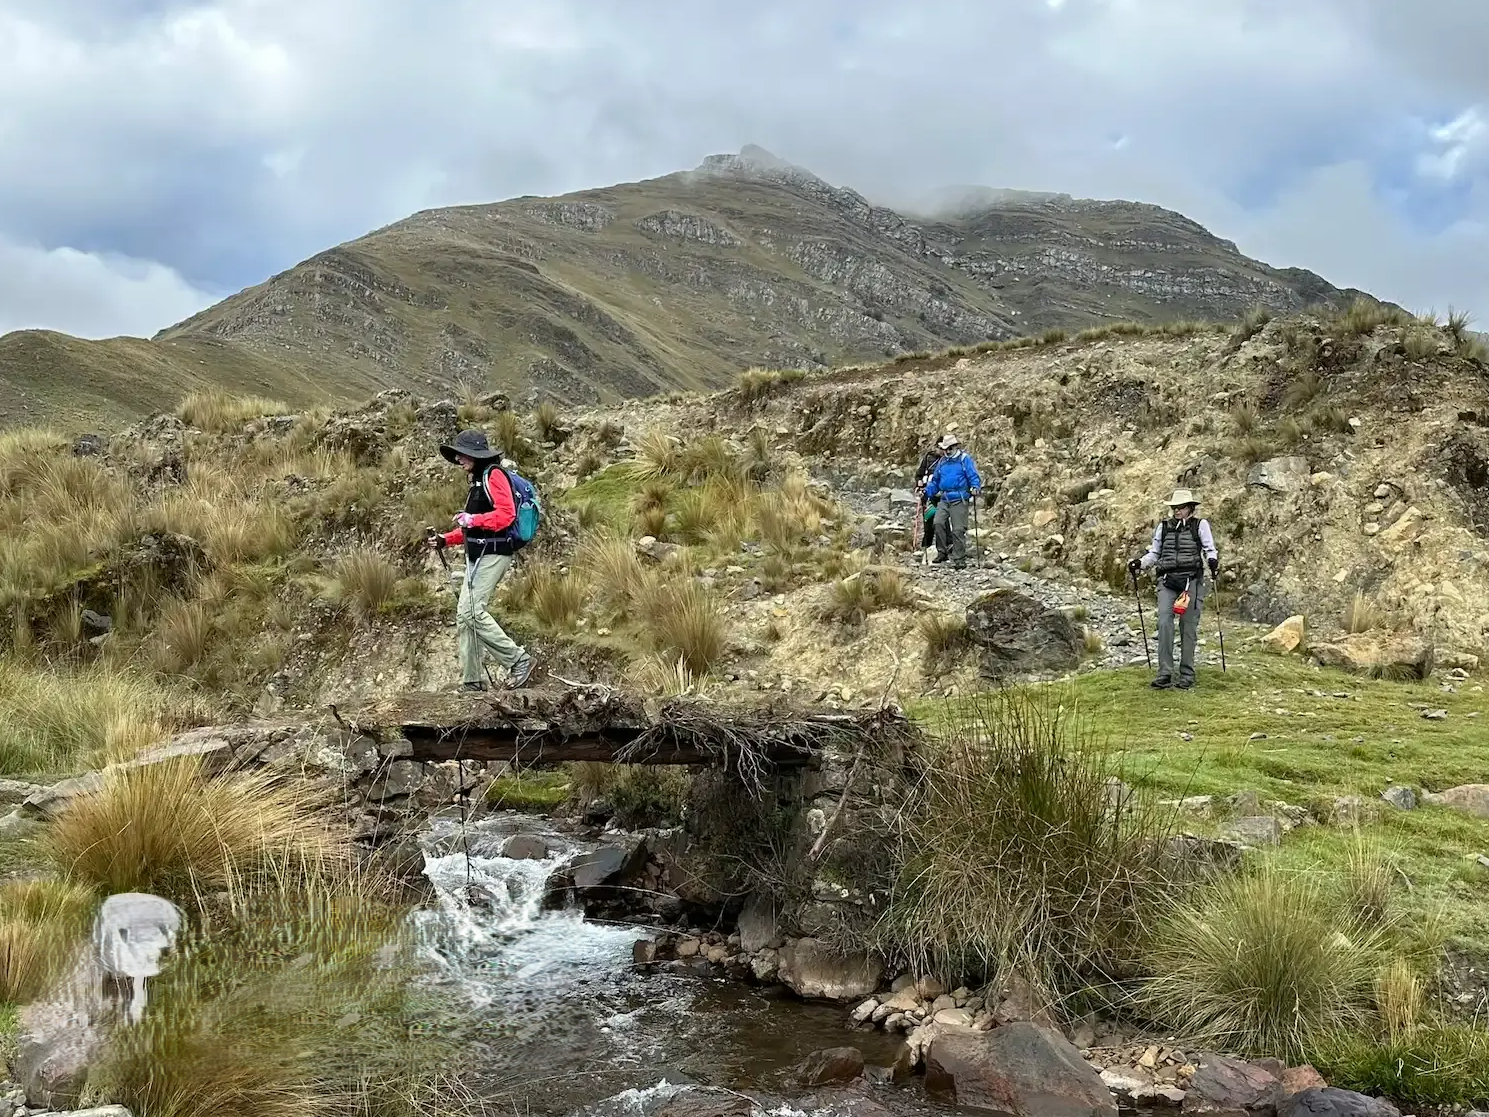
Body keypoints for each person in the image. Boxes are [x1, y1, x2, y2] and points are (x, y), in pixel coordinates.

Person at [431, 429, 535, 692]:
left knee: (471, 612)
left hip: (493, 554)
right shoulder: (478, 481)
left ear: (475, 455)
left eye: (462, 455)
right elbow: (472, 529)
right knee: (464, 616)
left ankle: (518, 660)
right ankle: (472, 680)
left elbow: (507, 515)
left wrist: (472, 519)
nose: (458, 459)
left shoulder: (494, 475)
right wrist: (446, 539)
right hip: (479, 554)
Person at [1128, 488, 1219, 690]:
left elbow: (1209, 548)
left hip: (1191, 581)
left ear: (1190, 508)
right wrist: (1140, 564)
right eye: (1174, 507)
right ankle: (1165, 673)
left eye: (1181, 507)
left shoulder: (1200, 525)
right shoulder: (1164, 527)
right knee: (1164, 623)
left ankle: (1187, 673)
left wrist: (1212, 561)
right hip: (1167, 580)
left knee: (1188, 627)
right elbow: (1154, 553)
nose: (1177, 510)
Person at [923, 433, 982, 568]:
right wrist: (926, 492)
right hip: (944, 498)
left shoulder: (964, 459)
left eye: (949, 448)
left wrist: (975, 487)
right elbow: (936, 481)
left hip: (959, 498)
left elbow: (973, 476)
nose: (947, 451)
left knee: (958, 530)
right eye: (945, 449)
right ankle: (942, 552)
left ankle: (959, 559)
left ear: (955, 447)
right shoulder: (943, 461)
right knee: (938, 523)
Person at [913, 440, 943, 556]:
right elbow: (919, 474)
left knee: (942, 521)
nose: (941, 451)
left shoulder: (947, 461)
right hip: (928, 493)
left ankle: (943, 546)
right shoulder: (928, 458)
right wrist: (918, 483)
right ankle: (927, 545)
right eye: (939, 448)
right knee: (929, 519)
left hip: (942, 494)